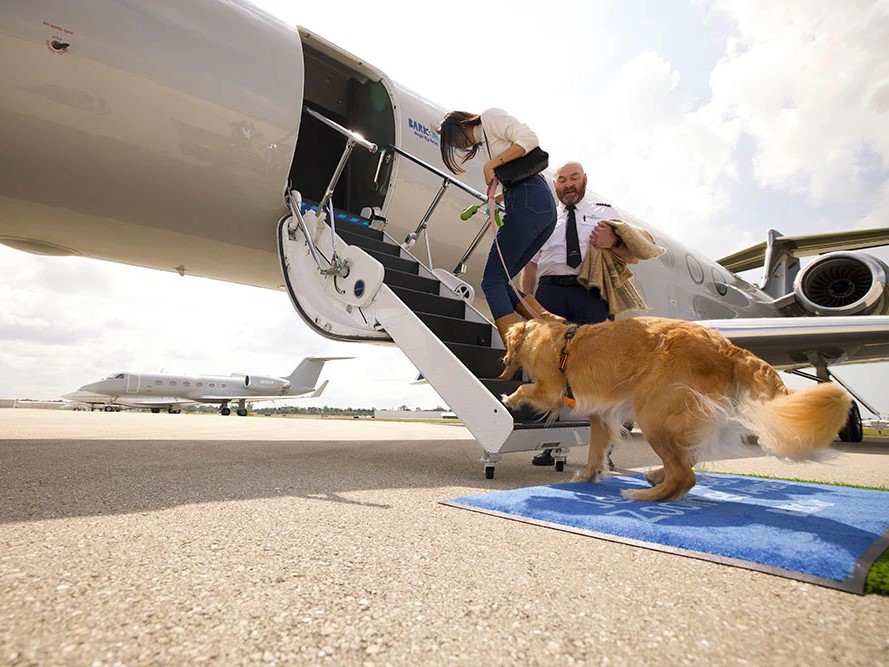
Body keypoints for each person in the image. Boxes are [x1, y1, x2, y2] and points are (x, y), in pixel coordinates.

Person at [521, 161, 641, 467]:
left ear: (584, 180)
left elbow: (634, 254)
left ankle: (603, 450)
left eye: (573, 178)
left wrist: (611, 242)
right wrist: (529, 306)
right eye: (561, 180)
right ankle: (549, 444)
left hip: (590, 294)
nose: (568, 184)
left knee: (600, 371)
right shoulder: (545, 217)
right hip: (549, 294)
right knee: (550, 370)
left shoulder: (604, 210)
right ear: (556, 185)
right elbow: (531, 266)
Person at [436, 109, 562, 348]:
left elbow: (529, 139)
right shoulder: (487, 139)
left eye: (454, 139)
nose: (460, 146)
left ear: (460, 125)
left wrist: (492, 165)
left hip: (529, 201)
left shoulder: (490, 117)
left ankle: (513, 352)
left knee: (491, 281)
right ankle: (556, 327)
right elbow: (519, 174)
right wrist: (500, 196)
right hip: (540, 206)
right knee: (504, 282)